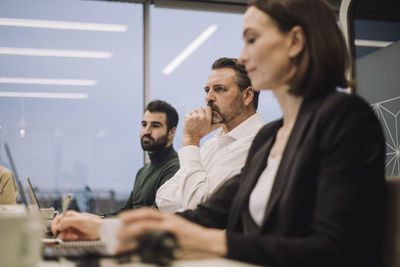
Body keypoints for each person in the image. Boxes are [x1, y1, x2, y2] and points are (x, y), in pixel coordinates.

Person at [52, 1, 386, 266]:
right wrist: (107, 228)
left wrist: (208, 241)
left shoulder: (346, 119)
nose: (243, 55)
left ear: (295, 41)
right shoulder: (272, 136)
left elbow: (335, 250)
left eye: (252, 39)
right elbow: (205, 215)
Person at [156, 57, 264, 212]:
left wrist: (191, 140)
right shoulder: (211, 144)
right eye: (207, 90)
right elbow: (163, 198)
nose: (208, 98)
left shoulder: (256, 143)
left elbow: (201, 208)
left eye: (219, 89)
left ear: (247, 96)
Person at [104, 100, 180, 215]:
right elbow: (127, 209)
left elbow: (154, 216)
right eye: (144, 124)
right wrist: (98, 219)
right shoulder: (143, 171)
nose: (147, 131)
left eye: (155, 126)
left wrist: (99, 224)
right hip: (132, 230)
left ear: (171, 132)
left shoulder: (175, 168)